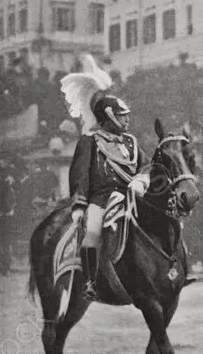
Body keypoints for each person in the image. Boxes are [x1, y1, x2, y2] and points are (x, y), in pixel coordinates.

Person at [62, 56, 151, 301]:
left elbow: (145, 166)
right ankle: (90, 282)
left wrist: (140, 180)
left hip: (130, 195)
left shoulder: (131, 142)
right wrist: (79, 205)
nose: (127, 120)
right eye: (122, 116)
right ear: (110, 117)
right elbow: (79, 175)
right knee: (92, 234)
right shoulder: (90, 141)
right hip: (100, 199)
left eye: (127, 115)